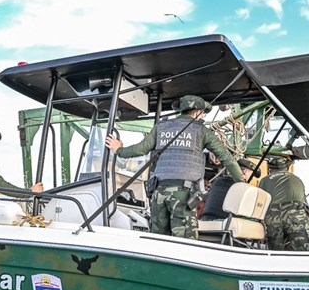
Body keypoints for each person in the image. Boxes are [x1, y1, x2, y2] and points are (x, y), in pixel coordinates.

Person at [105, 95, 245, 239]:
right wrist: (242, 182)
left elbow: (140, 149)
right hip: (183, 195)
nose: (203, 115)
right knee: (185, 242)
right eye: (203, 112)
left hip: (158, 193)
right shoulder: (202, 131)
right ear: (197, 112)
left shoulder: (161, 126)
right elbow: (227, 158)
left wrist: (119, 150)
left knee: (157, 240)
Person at [257, 155, 309, 252]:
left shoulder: (264, 180)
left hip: (273, 216)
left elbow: (261, 202)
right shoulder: (296, 179)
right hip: (295, 212)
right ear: (287, 168)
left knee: (275, 251)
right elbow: (304, 202)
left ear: (270, 169)